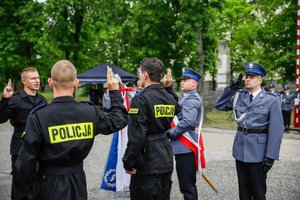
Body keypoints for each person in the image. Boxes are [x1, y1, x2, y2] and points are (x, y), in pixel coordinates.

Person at [14, 60, 128, 200]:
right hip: (78, 183)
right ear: (76, 83)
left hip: (48, 184)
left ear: (50, 82)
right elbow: (119, 120)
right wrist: (115, 91)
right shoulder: (89, 112)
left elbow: (25, 163)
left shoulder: (38, 116)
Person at [215, 62, 284, 200]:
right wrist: (230, 89)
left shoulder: (271, 100)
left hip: (258, 152)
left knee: (258, 192)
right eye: (247, 76)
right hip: (240, 149)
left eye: (252, 76)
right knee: (244, 192)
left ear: (260, 80)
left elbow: (277, 130)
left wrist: (270, 156)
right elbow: (220, 105)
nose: (248, 79)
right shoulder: (240, 96)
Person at [122, 57, 179, 200]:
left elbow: (136, 136)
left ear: (145, 75)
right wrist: (169, 88)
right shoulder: (169, 97)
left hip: (148, 162)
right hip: (165, 158)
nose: (139, 76)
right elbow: (177, 106)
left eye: (140, 73)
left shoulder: (140, 99)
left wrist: (129, 162)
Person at [0, 67, 47, 200]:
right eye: (33, 78)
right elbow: (1, 118)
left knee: (38, 184)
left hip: (39, 147)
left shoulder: (42, 100)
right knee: (20, 186)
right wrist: (4, 99)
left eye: (38, 78)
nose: (37, 81)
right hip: (19, 147)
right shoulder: (14, 99)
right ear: (24, 81)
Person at [164, 67, 202, 200]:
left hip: (186, 146)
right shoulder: (186, 97)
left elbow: (188, 122)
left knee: (187, 186)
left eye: (186, 80)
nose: (182, 82)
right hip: (183, 147)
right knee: (186, 184)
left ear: (194, 83)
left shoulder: (191, 99)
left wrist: (171, 133)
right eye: (182, 80)